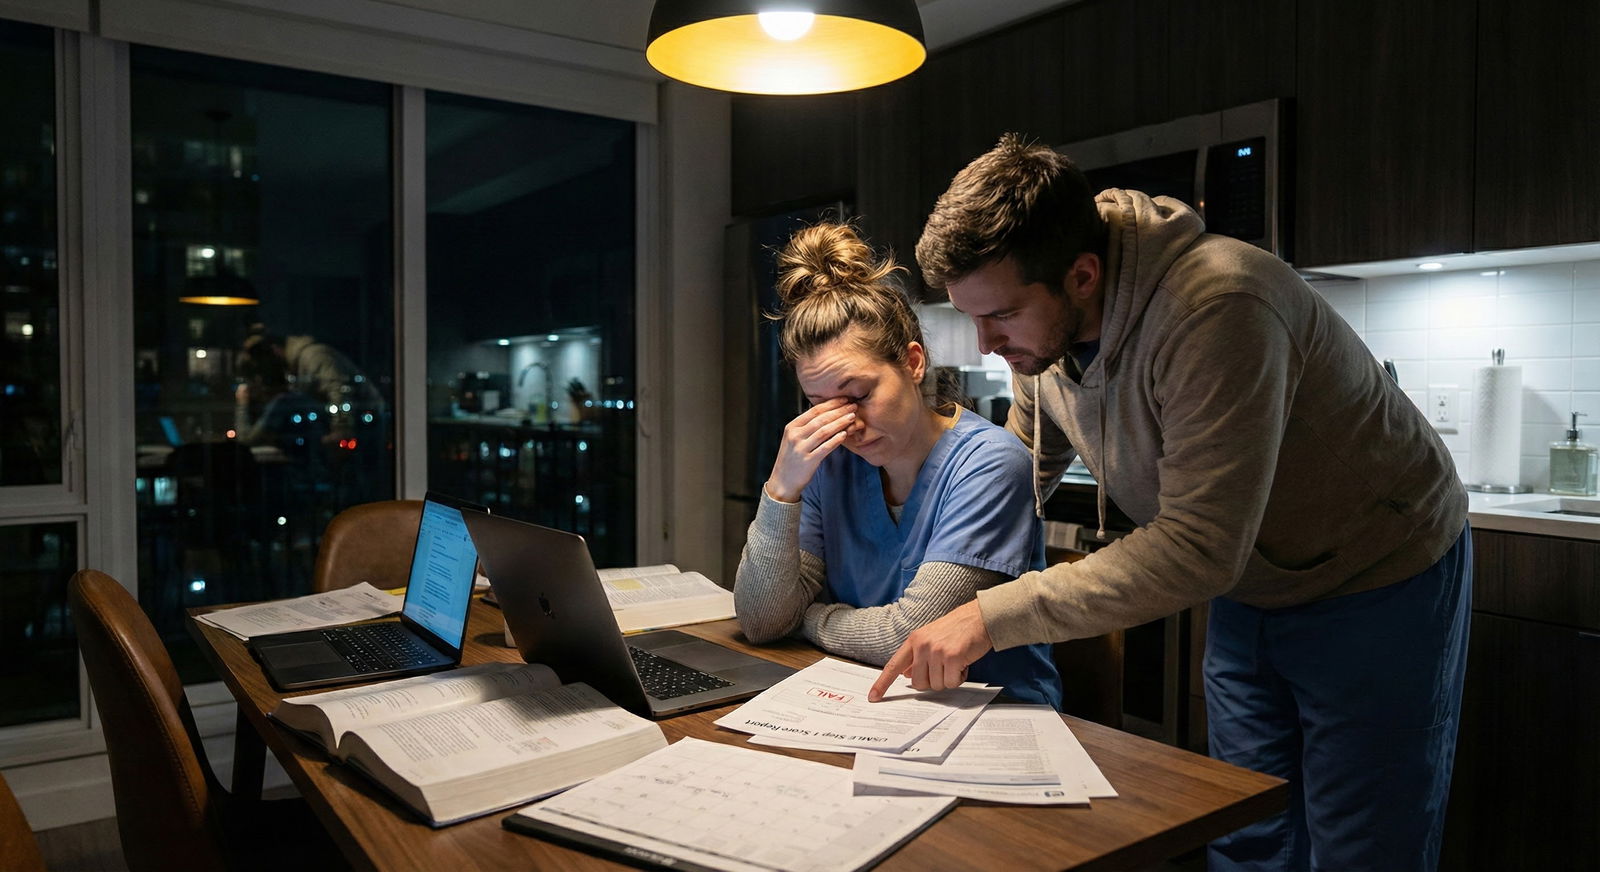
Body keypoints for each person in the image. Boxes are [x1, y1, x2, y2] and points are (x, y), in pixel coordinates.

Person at [869, 134, 1471, 871]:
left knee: (1361, 842)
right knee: (1246, 827)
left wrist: (989, 615)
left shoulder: (1221, 305)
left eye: (1000, 317)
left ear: (1081, 276)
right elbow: (1015, 465)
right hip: (1252, 581)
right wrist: (931, 539)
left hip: (1377, 573)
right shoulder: (1042, 341)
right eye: (971, 318)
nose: (985, 343)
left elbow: (1197, 545)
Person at [734, 222, 1062, 709]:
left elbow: (908, 637)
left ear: (912, 363)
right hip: (867, 702)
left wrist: (810, 618)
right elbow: (762, 621)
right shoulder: (831, 463)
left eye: (859, 394)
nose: (844, 424)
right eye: (819, 404)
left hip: (991, 711)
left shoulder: (989, 465)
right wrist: (781, 489)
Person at [234, 327, 384, 447]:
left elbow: (338, 389)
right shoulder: (299, 365)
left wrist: (341, 429)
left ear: (274, 350)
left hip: (369, 425)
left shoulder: (313, 356)